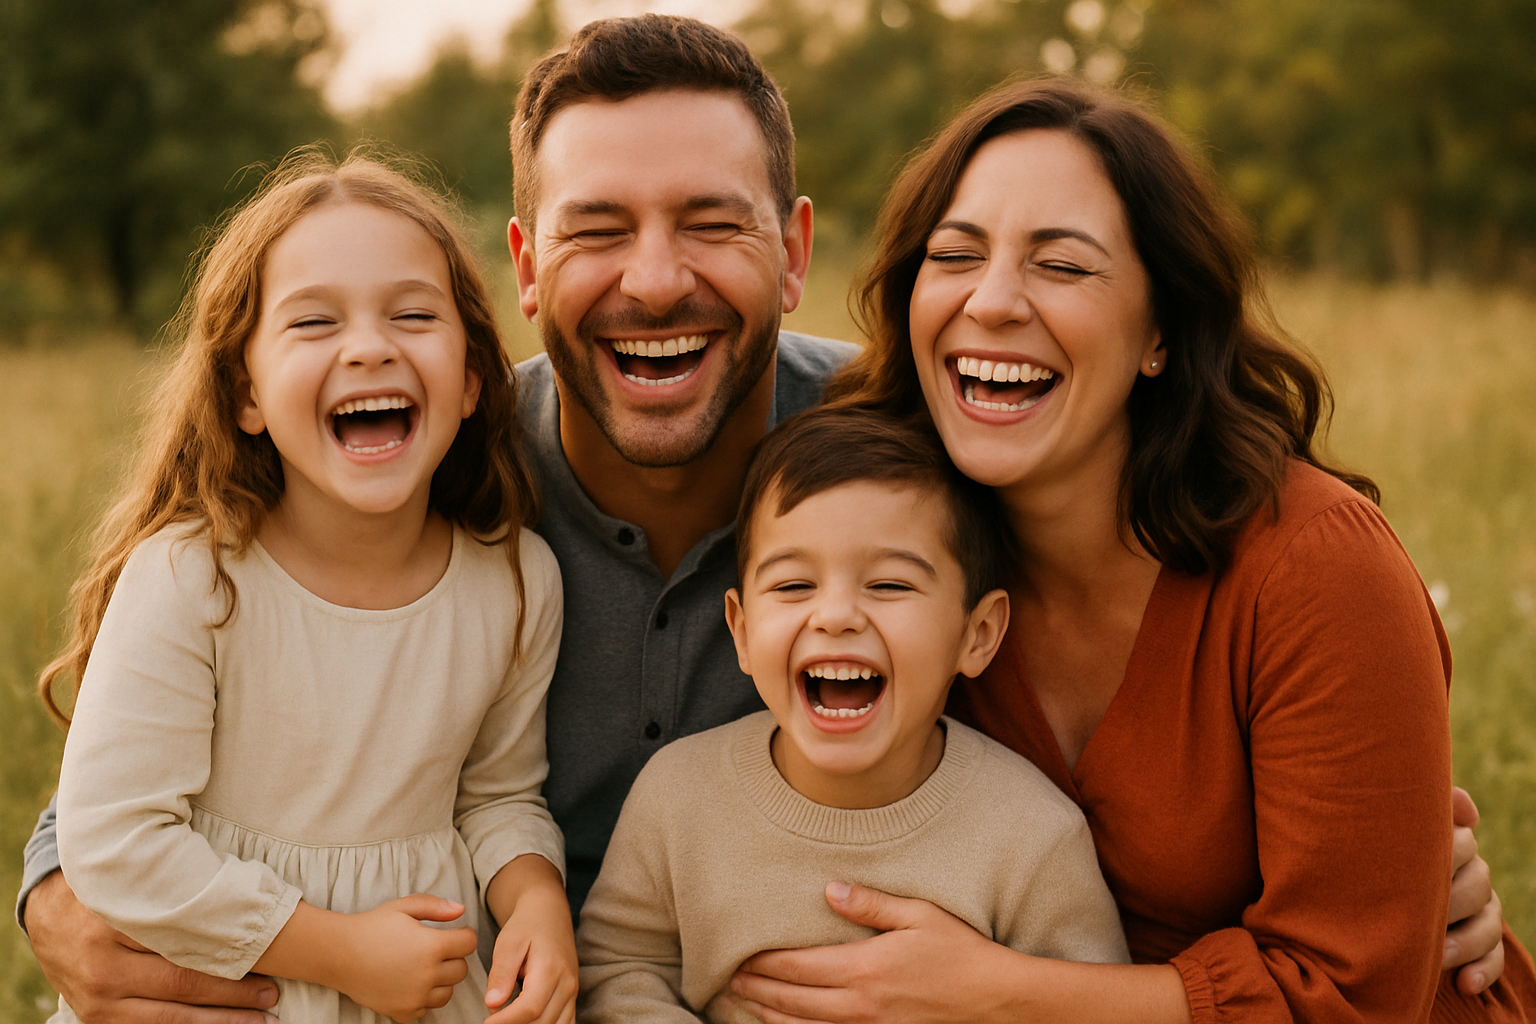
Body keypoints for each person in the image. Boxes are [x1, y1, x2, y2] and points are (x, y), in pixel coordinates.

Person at [13, 16, 1511, 1022]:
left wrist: (1390, 851)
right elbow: (210, 690)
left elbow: (1295, 704)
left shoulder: (906, 472)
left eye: (713, 222)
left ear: (795, 250)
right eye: (601, 228)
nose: (655, 279)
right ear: (525, 268)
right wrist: (55, 894)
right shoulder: (436, 483)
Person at [727, 78, 1536, 1023]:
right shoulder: (887, 548)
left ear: (1159, 329)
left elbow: (1354, 994)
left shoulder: (1316, 567)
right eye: (955, 255)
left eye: (1062, 267)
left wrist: (996, 993)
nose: (992, 302)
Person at [40, 154, 576, 1024]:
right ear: (245, 392)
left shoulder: (516, 583)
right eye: (314, 322)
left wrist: (538, 904)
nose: (369, 346)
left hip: (428, 991)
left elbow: (498, 795)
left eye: (412, 313)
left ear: (474, 378)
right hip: (233, 993)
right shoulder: (195, 580)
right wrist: (342, 951)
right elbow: (115, 839)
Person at [576, 408, 1128, 1022]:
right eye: (792, 586)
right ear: (742, 632)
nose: (836, 615)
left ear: (978, 634)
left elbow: (1085, 1003)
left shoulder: (1033, 838)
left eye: (890, 585)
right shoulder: (676, 796)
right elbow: (618, 966)